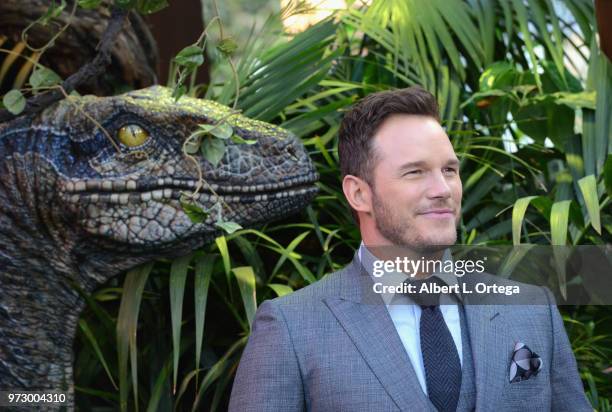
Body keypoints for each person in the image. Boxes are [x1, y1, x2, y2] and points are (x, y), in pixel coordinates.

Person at [228, 87, 592, 411]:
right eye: (415, 172)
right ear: (359, 193)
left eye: (449, 170)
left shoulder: (530, 310)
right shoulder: (293, 328)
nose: (442, 189)